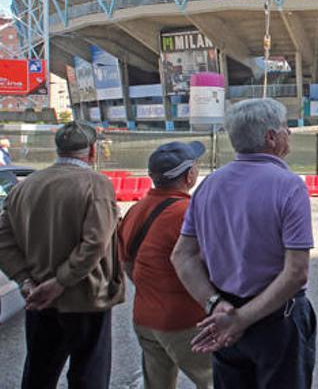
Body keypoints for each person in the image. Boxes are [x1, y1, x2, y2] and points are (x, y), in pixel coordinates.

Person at [171, 98, 316, 389]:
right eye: (285, 127)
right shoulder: (289, 186)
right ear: (271, 137)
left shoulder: (209, 185)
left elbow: (181, 257)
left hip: (223, 317)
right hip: (276, 319)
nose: (289, 133)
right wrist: (242, 319)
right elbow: (296, 271)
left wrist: (216, 306)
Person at [0, 121, 124, 389]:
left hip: (38, 298)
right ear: (92, 151)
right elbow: (95, 243)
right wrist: (60, 283)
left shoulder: (25, 186)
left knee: (39, 372)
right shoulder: (96, 184)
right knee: (89, 374)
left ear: (58, 149)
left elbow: (3, 240)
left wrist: (26, 281)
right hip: (86, 298)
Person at [117, 141, 213, 389]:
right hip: (186, 321)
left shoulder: (135, 209)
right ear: (189, 175)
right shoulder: (189, 213)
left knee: (157, 384)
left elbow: (127, 262)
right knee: (214, 380)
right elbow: (212, 265)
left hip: (145, 318)